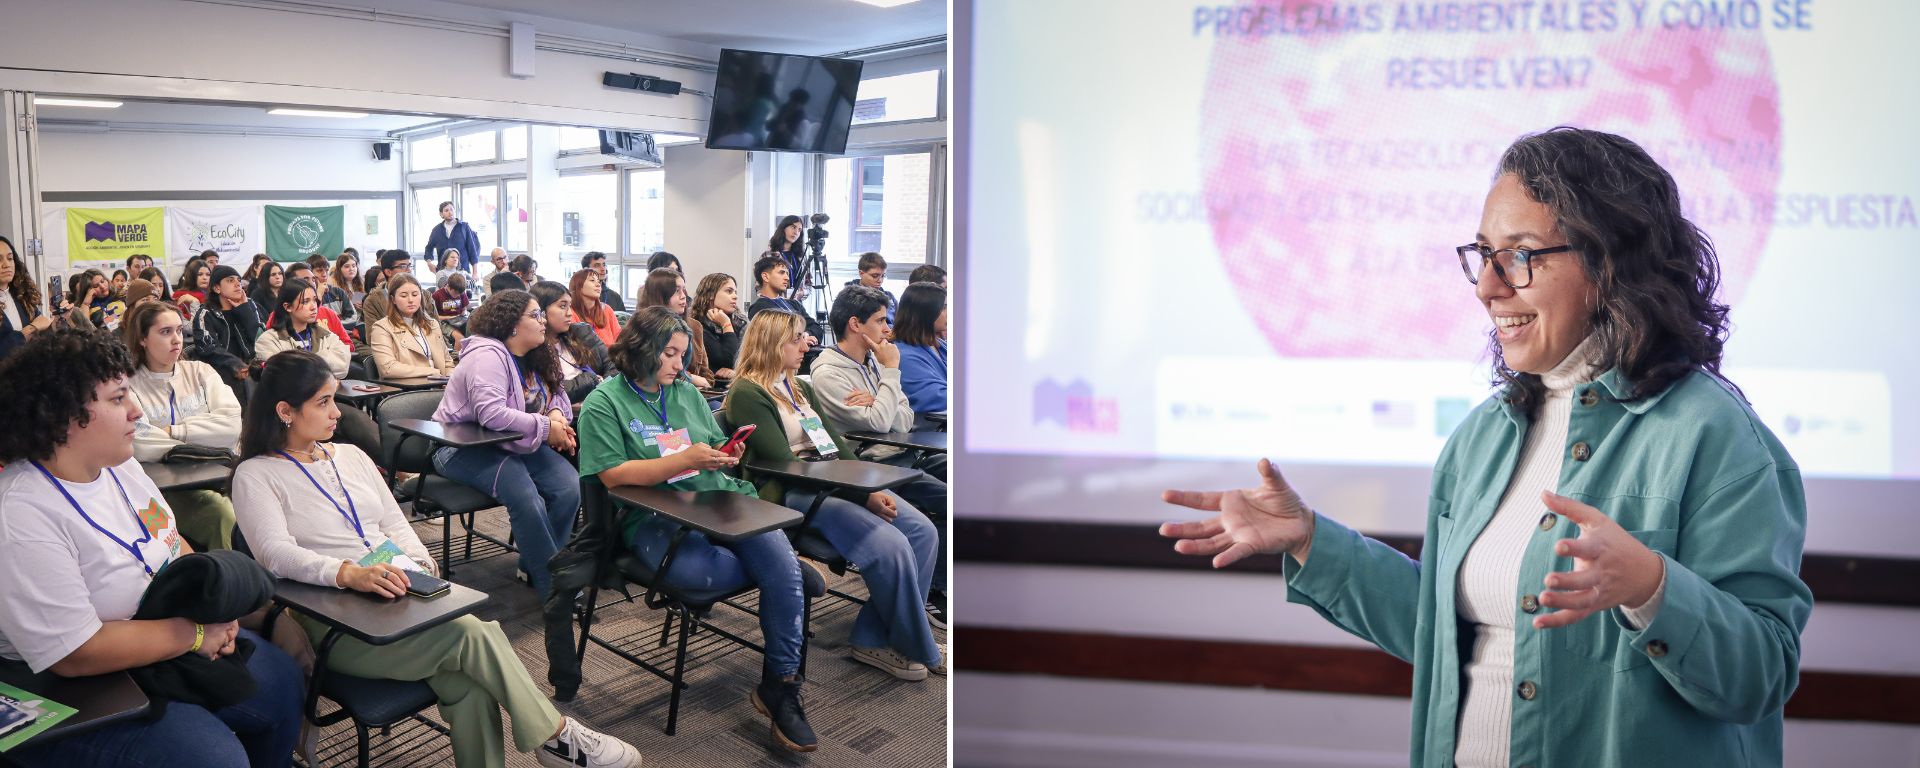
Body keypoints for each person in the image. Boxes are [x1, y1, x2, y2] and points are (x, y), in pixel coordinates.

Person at [1159, 128, 1814, 768]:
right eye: (1482, 255)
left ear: (1609, 262)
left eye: (1521, 254)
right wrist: (1308, 539)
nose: (1487, 286)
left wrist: (1650, 586)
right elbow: (1443, 628)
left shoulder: (1717, 436)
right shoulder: (1485, 434)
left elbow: (1761, 675)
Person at [229, 350, 643, 768]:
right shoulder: (257, 475)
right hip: (334, 619)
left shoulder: (349, 456)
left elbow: (395, 520)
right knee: (473, 634)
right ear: (285, 411)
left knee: (469, 685)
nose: (337, 412)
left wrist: (419, 561)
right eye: (323, 403)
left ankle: (549, 743)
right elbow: (274, 555)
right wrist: (349, 574)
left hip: (396, 592)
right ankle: (556, 737)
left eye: (335, 399)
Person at [0, 327, 303, 768]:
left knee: (281, 684)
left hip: (162, 635)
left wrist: (213, 607)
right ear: (63, 414)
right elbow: (75, 653)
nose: (137, 411)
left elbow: (169, 542)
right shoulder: (21, 513)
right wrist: (196, 635)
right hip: (69, 682)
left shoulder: (120, 468)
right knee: (213, 758)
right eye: (118, 398)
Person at [574, 307, 817, 751]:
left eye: (682, 355)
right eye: (668, 354)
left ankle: (781, 686)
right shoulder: (603, 401)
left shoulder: (685, 392)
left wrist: (723, 456)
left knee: (777, 566)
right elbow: (612, 476)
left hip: (717, 498)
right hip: (652, 519)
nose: (677, 365)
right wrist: (682, 461)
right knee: (745, 575)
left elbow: (706, 447)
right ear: (640, 349)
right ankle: (785, 573)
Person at [724, 308, 944, 680]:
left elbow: (836, 447)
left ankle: (874, 637)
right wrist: (861, 494)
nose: (805, 343)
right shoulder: (748, 392)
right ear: (771, 344)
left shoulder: (800, 386)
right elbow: (784, 464)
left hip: (833, 479)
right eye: (795, 338)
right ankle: (917, 645)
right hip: (790, 491)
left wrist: (866, 485)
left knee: (923, 532)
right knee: (891, 546)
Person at [810, 285, 949, 627]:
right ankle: (919, 603)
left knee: (954, 499)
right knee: (926, 523)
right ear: (856, 324)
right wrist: (889, 380)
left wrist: (880, 397)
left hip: (900, 456)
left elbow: (901, 418)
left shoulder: (873, 360)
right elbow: (878, 421)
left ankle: (934, 587)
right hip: (869, 466)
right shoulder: (828, 373)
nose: (888, 328)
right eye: (880, 320)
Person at [432, 290, 579, 596]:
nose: (542, 321)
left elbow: (559, 394)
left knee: (569, 487)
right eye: (535, 315)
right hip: (461, 447)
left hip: (514, 443)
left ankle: (532, 564)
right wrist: (545, 425)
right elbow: (491, 414)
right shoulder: (487, 354)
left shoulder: (535, 353)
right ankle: (553, 587)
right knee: (526, 497)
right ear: (512, 323)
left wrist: (554, 413)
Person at [123, 301, 242, 551]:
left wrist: (171, 432)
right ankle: (231, 585)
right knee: (222, 513)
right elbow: (138, 442)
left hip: (222, 474)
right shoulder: (129, 385)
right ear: (142, 339)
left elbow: (232, 424)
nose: (177, 339)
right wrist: (208, 433)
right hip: (165, 489)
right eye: (165, 332)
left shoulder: (201, 371)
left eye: (179, 330)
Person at [254, 278, 382, 460]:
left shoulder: (325, 334)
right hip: (293, 410)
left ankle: (396, 466)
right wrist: (323, 371)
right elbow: (286, 378)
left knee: (357, 420)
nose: (313, 306)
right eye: (305, 302)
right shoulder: (269, 339)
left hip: (325, 404)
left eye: (315, 300)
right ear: (287, 307)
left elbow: (342, 365)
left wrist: (304, 364)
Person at [188, 265, 265, 402]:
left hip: (250, 365)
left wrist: (244, 311)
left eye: (239, 280)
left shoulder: (249, 305)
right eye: (230, 281)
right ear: (217, 288)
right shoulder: (206, 313)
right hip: (220, 368)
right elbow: (208, 348)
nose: (237, 284)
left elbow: (261, 339)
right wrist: (235, 364)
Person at [530, 281, 609, 408]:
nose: (570, 313)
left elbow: (612, 364)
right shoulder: (533, 347)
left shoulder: (582, 332)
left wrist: (605, 392)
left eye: (569, 306)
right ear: (541, 311)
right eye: (562, 306)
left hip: (603, 405)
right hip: (570, 419)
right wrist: (592, 379)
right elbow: (553, 392)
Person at [635, 268, 713, 388]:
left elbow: (706, 377)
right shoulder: (642, 327)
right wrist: (688, 378)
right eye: (677, 291)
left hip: (697, 392)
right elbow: (642, 371)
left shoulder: (694, 326)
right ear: (660, 295)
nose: (683, 297)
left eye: (684, 290)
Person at [745, 255, 823, 373]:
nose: (787, 278)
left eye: (787, 273)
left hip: (807, 360)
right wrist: (800, 338)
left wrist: (806, 334)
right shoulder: (759, 308)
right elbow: (777, 338)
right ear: (765, 276)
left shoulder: (794, 304)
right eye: (781, 273)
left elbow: (816, 327)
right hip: (782, 368)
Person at [368, 273, 454, 379]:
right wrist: (432, 372)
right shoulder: (382, 328)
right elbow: (388, 368)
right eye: (403, 296)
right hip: (408, 391)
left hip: (440, 385)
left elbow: (448, 363)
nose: (410, 300)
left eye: (415, 294)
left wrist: (450, 380)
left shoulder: (432, 324)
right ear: (393, 299)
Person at [893, 282, 948, 414]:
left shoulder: (938, 344)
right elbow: (935, 397)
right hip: (933, 430)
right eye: (944, 307)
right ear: (926, 313)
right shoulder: (904, 356)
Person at [0, 234, 52, 361]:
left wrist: (58, 320)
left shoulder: (21, 295)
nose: (6, 264)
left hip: (29, 373)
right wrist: (30, 329)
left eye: (10, 258)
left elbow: (42, 328)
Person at [284, 262, 352, 350]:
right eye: (305, 279)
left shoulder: (328, 313)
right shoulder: (280, 314)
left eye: (313, 279)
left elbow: (348, 344)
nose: (312, 283)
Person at [690, 272, 744, 377]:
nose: (735, 296)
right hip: (712, 388)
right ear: (710, 294)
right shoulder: (697, 324)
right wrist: (726, 324)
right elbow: (729, 361)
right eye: (729, 291)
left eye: (735, 292)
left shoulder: (741, 322)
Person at [567, 268, 619, 348]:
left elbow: (619, 339)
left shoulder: (607, 310)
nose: (598, 284)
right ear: (579, 286)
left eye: (598, 281)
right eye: (592, 280)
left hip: (611, 357)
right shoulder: (569, 312)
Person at [424, 201, 482, 273]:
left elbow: (472, 250)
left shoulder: (464, 227)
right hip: (443, 273)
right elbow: (428, 248)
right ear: (441, 214)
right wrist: (429, 263)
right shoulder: (436, 230)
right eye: (446, 210)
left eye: (451, 209)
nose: (450, 212)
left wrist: (475, 273)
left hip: (462, 272)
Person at [841, 252, 898, 323]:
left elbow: (899, 324)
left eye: (882, 276)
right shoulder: (848, 298)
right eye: (875, 276)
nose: (880, 280)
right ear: (861, 274)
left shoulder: (889, 297)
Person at [767, 215, 808, 301]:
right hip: (776, 307)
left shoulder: (802, 256)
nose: (796, 232)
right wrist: (783, 296)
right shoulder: (770, 255)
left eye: (799, 230)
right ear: (783, 228)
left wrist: (803, 293)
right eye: (793, 227)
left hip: (796, 307)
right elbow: (759, 286)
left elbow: (809, 284)